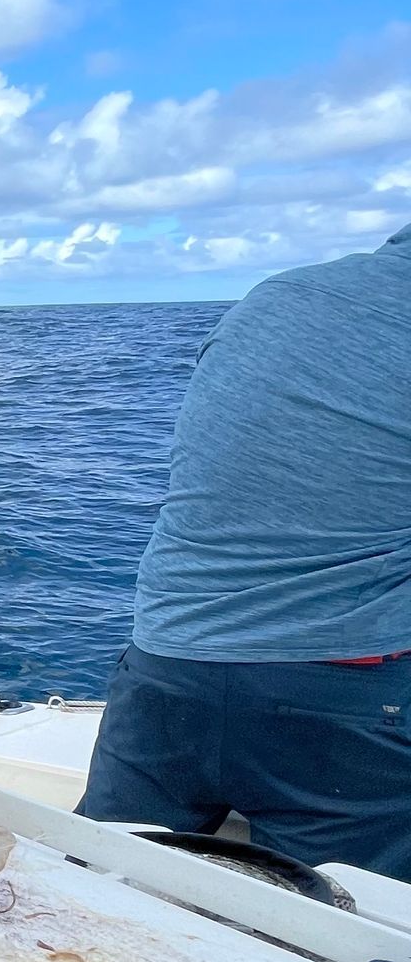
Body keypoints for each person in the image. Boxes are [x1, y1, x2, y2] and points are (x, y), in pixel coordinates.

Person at [80, 224, 411, 877]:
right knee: (339, 947)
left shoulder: (273, 296)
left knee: (95, 895)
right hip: (341, 702)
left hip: (164, 670)